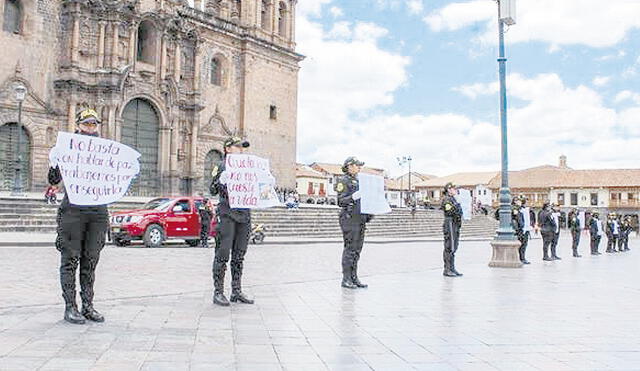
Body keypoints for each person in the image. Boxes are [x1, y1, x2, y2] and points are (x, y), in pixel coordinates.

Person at [48, 109, 109, 324]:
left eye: (94, 124)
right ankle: (70, 306)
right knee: (70, 258)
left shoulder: (106, 150)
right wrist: (55, 162)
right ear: (78, 125)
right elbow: (54, 180)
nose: (91, 127)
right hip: (73, 210)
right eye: (87, 124)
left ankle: (88, 305)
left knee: (91, 259)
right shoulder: (67, 147)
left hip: (97, 211)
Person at [210, 136, 254, 306]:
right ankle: (218, 292)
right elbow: (212, 189)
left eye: (242, 147)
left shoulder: (249, 168)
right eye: (237, 147)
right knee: (223, 253)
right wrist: (222, 182)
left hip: (244, 214)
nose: (241, 149)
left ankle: (236, 291)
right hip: (227, 213)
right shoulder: (221, 166)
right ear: (228, 148)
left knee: (239, 254)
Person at [336, 157, 372, 288]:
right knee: (350, 249)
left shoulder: (358, 180)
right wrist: (353, 196)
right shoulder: (343, 180)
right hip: (349, 217)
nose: (359, 168)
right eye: (357, 165)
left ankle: (354, 277)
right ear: (349, 166)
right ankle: (346, 279)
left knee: (357, 250)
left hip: (359, 218)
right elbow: (340, 201)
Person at [441, 182, 463, 277]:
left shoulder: (454, 199)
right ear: (449, 189)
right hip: (450, 223)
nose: (456, 190)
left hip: (455, 223)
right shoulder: (447, 200)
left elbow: (460, 212)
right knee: (449, 246)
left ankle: (452, 268)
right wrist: (457, 205)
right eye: (454, 189)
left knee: (454, 246)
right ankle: (447, 269)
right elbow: (450, 211)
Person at [518, 195, 534, 264]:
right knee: (522, 245)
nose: (528, 203)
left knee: (525, 244)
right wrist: (522, 226)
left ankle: (523, 257)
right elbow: (520, 220)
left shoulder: (527, 210)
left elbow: (531, 218)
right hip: (522, 229)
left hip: (527, 229)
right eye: (527, 202)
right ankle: (521, 258)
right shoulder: (520, 210)